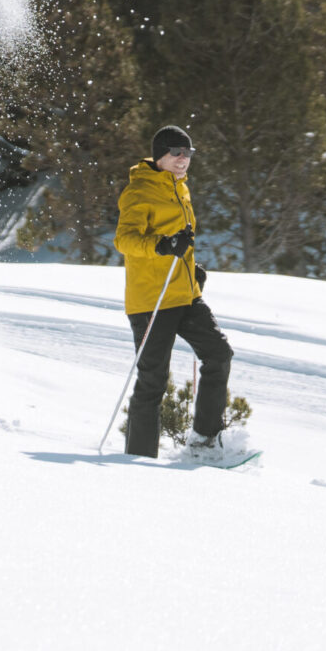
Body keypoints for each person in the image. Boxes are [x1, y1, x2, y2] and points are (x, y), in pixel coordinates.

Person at [113, 124, 234, 458]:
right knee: (153, 381)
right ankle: (138, 457)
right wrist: (163, 246)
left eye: (188, 153)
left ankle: (204, 442)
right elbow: (125, 240)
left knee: (219, 354)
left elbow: (183, 241)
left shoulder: (181, 188)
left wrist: (189, 269)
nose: (183, 160)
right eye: (176, 153)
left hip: (184, 293)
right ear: (159, 155)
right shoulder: (139, 191)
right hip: (151, 299)